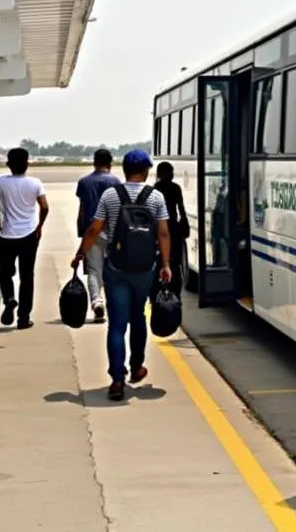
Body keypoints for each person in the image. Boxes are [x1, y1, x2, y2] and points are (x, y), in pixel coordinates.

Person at [72, 149, 172, 401]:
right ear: (146, 170)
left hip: (116, 267)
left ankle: (117, 380)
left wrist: (81, 253)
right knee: (138, 315)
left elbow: (95, 228)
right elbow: (163, 233)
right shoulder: (156, 197)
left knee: (117, 324)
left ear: (125, 169)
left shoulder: (111, 195)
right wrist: (166, 264)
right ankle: (137, 366)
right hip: (145, 268)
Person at [0, 147, 49, 330]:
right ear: (27, 164)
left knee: (4, 273)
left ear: (8, 164)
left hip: (6, 235)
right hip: (29, 235)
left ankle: (9, 298)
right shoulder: (35, 183)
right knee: (27, 276)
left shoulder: (0, 181)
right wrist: (40, 226)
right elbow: (45, 206)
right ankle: (23, 317)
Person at [75, 148, 120, 322]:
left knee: (94, 269)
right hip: (112, 232)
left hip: (91, 231)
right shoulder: (116, 181)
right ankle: (112, 303)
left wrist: (82, 232)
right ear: (110, 163)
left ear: (94, 162)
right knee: (112, 269)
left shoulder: (84, 182)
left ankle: (96, 301)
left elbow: (82, 209)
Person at [152, 161, 189, 300]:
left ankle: (159, 289)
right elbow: (181, 208)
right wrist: (184, 223)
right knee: (175, 262)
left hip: (160, 227)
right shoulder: (175, 188)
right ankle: (175, 291)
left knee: (160, 259)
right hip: (173, 227)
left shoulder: (155, 189)